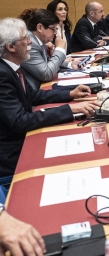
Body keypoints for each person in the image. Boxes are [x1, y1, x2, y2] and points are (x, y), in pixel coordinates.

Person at [0, 18, 98, 178]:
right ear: (10, 47)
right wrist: (69, 109)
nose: (30, 41)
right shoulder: (2, 74)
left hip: (21, 141)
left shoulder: (11, 66)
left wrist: (70, 94)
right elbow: (20, 121)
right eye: (25, 38)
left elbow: (33, 95)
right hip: (12, 155)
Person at [21, 9, 80, 88]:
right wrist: (60, 50)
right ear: (40, 27)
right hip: (32, 92)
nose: (55, 33)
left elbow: (44, 63)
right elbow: (46, 74)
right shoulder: (30, 43)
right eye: (53, 28)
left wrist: (69, 64)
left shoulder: (38, 39)